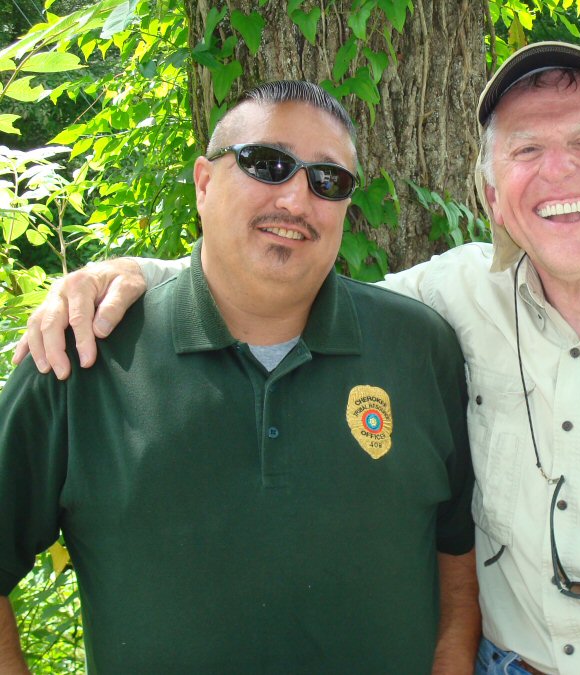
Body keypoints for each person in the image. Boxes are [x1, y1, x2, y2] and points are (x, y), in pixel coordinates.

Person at [12, 42, 580, 674]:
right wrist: (135, 276)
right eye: (525, 151)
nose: (559, 173)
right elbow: (276, 271)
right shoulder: (448, 301)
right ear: (490, 192)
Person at [0, 81, 480, 674]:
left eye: (327, 180)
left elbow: (456, 548)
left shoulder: (418, 346)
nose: (297, 201)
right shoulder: (84, 352)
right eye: (268, 164)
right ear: (204, 182)